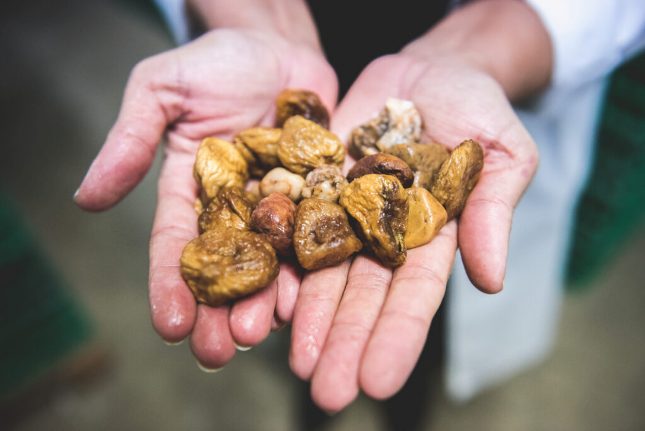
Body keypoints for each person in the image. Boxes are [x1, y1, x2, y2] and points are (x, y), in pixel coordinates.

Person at [74, 0, 645, 414]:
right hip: (299, 49)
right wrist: (256, 17)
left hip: (461, 43)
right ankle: (323, 407)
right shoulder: (292, 179)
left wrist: (489, 45)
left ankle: (404, 407)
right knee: (316, 335)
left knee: (420, 319)